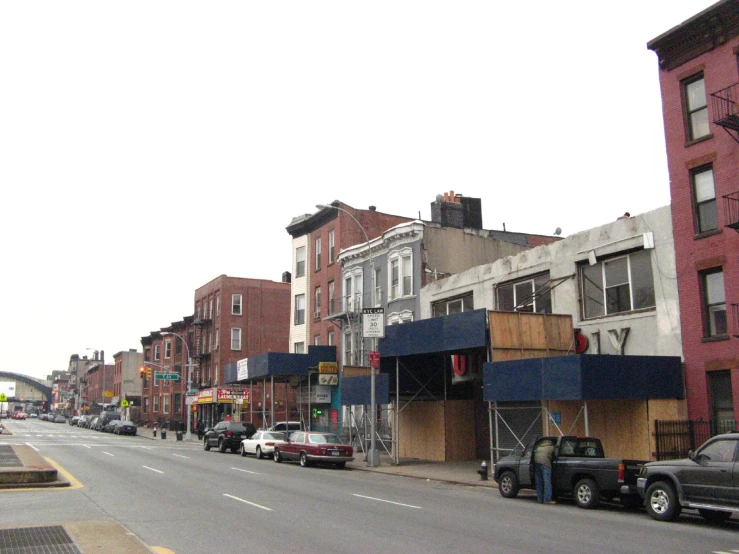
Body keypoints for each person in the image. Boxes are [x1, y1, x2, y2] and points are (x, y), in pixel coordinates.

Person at [533, 438, 555, 504]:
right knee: (547, 481)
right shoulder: (552, 447)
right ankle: (547, 500)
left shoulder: (540, 446)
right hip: (545, 463)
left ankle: (539, 499)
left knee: (539, 481)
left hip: (536, 462)